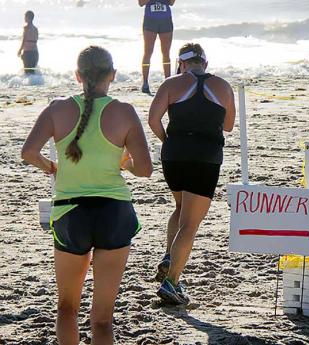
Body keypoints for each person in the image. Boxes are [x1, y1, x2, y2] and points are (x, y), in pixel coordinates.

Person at [21, 46, 152, 344]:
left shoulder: (57, 108)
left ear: (77, 76)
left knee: (67, 310)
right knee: (103, 320)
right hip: (114, 212)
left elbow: (28, 152)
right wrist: (124, 163)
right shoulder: (125, 111)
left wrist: (50, 166)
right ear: (113, 75)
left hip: (71, 213)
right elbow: (145, 169)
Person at [148, 43, 235, 304]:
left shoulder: (171, 84)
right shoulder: (222, 86)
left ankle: (168, 256)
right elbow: (228, 126)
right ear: (205, 64)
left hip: (173, 155)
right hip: (205, 157)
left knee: (180, 206)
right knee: (190, 223)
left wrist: (168, 141)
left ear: (181, 64)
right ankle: (172, 282)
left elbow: (153, 120)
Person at [139, 0, 175, 94]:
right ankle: (145, 82)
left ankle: (168, 82)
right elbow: (141, 3)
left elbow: (171, 3)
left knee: (166, 52)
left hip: (165, 20)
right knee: (148, 51)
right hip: (150, 20)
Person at [17, 10, 39, 74]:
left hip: (28, 53)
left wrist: (19, 50)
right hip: (35, 53)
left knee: (27, 73)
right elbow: (36, 39)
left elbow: (24, 40)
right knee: (33, 73)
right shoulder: (35, 29)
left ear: (28, 18)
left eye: (25, 17)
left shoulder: (26, 28)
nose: (24, 18)